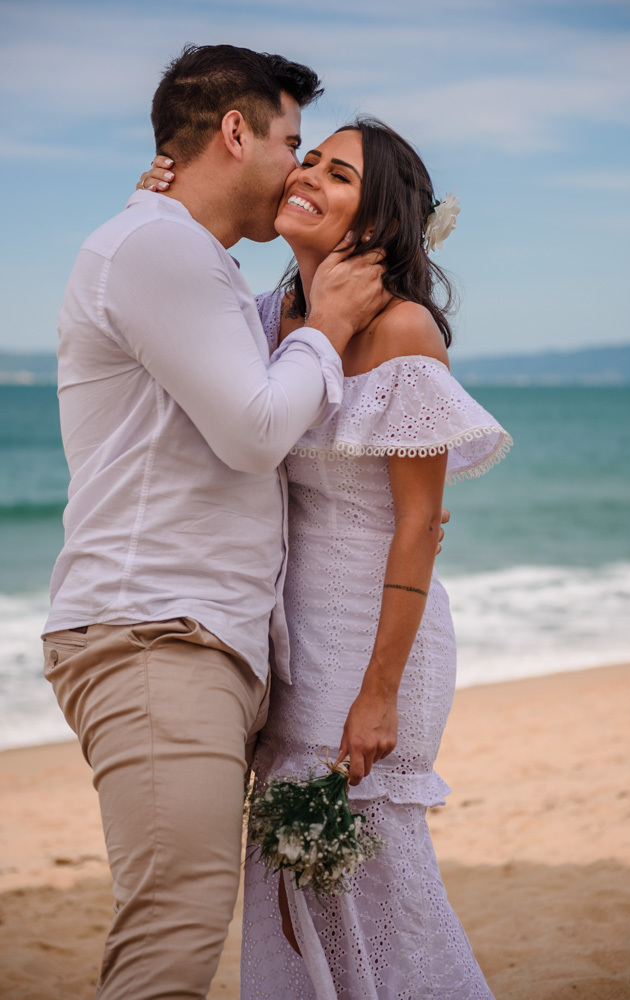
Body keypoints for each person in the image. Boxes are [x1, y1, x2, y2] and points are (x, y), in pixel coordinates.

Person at [41, 45, 392, 1000]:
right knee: (174, 934)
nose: (299, 167)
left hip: (195, 637)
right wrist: (323, 327)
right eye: (291, 142)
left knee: (179, 922)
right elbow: (251, 431)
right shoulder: (158, 248)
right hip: (156, 633)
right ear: (235, 133)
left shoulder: (188, 255)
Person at [142, 118, 511, 998]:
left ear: (376, 223)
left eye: (336, 173)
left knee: (375, 889)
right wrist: (170, 205)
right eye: (306, 158)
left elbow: (419, 524)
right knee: (287, 891)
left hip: (373, 650)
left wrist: (378, 691)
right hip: (288, 646)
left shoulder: (402, 330)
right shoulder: (272, 319)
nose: (305, 174)